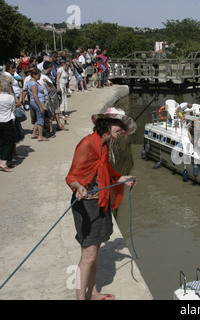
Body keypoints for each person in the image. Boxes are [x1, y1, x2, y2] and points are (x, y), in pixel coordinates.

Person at [65, 107, 137, 300]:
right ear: (107, 123)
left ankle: (93, 293)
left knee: (94, 254)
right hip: (86, 206)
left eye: (123, 126)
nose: (122, 129)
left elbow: (105, 170)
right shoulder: (87, 143)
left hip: (101, 203)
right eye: (119, 125)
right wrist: (78, 186)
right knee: (87, 257)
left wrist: (121, 178)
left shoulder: (104, 146)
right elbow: (71, 175)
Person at [0, 75, 16, 172]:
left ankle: (6, 160)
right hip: (7, 121)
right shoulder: (10, 98)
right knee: (9, 142)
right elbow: (13, 110)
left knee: (1, 141)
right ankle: (3, 163)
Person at [28, 68, 49, 142]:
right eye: (38, 75)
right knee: (41, 119)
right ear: (34, 75)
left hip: (36, 101)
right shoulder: (34, 84)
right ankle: (40, 136)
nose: (40, 76)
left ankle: (34, 134)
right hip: (38, 102)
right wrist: (40, 106)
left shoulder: (33, 82)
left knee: (38, 118)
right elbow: (35, 95)